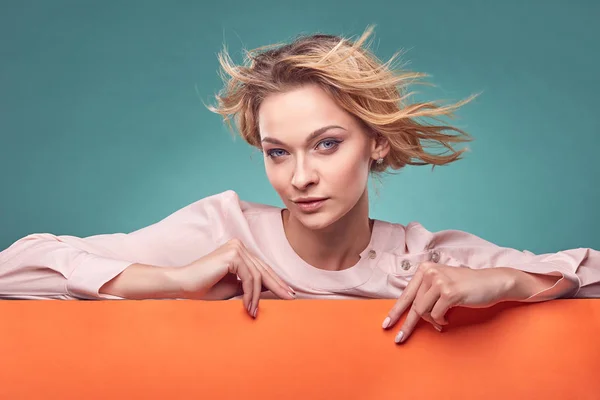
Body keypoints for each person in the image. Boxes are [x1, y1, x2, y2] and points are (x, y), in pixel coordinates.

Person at [1, 26, 598, 345]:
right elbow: (14, 268)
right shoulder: (221, 230)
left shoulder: (425, 259)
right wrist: (174, 280)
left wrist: (508, 279)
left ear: (377, 143)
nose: (300, 176)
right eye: (277, 152)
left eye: (327, 144)